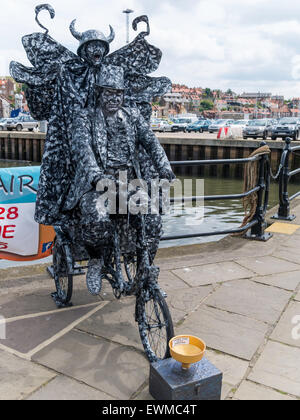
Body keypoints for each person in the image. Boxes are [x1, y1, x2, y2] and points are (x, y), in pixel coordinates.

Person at [64, 65, 175, 295]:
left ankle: (145, 269)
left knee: (153, 219)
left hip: (128, 183)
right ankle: (96, 260)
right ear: (99, 93)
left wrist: (164, 167)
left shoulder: (132, 116)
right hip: (96, 185)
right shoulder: (84, 118)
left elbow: (151, 143)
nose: (114, 98)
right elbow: (82, 150)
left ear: (124, 95)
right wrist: (96, 176)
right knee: (97, 220)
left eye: (118, 94)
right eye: (108, 93)